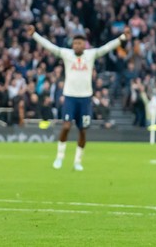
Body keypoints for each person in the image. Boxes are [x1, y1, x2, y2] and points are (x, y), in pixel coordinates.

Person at [26, 25, 130, 171]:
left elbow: (107, 47)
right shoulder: (66, 54)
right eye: (75, 43)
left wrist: (123, 37)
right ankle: (59, 157)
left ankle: (77, 161)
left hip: (85, 99)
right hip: (70, 97)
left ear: (84, 45)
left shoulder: (91, 55)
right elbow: (50, 46)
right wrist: (34, 35)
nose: (77, 45)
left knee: (82, 131)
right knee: (66, 126)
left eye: (80, 43)